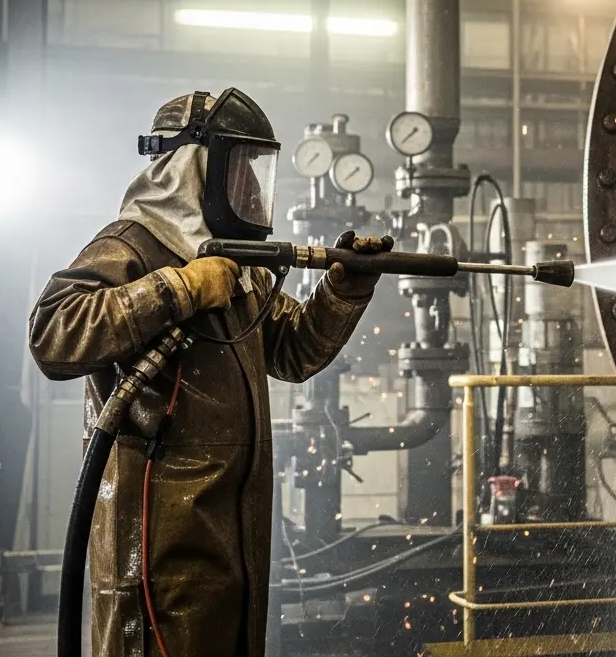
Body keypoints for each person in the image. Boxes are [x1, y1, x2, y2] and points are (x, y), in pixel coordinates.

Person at [28, 88, 390, 656]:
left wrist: (345, 287)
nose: (250, 188)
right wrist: (179, 288)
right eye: (240, 169)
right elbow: (54, 335)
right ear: (195, 167)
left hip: (231, 555)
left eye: (256, 171)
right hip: (154, 567)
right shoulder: (134, 247)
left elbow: (292, 352)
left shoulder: (238, 264)